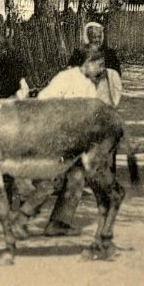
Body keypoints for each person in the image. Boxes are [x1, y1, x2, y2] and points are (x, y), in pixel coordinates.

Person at [34, 44, 125, 234]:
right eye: (99, 65)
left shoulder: (89, 86)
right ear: (88, 62)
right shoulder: (66, 78)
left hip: (69, 139)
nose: (101, 70)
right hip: (49, 134)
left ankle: (58, 223)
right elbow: (43, 102)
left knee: (77, 175)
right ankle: (24, 215)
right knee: (53, 178)